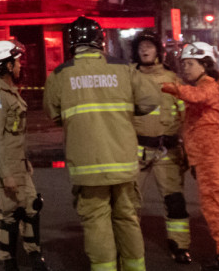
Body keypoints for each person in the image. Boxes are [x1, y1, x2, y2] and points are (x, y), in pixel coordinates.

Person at [44, 16, 157, 271]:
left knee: (97, 222)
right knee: (127, 219)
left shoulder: (60, 75)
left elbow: (53, 114)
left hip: (87, 167)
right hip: (124, 163)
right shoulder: (123, 68)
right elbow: (151, 100)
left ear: (71, 43)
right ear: (100, 41)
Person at [161, 43, 219, 270]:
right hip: (205, 158)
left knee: (214, 208)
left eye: (190, 64)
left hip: (213, 157)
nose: (185, 69)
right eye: (184, 64)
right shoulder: (203, 85)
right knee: (214, 206)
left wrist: (168, 87)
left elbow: (197, 96)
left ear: (205, 65)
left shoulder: (208, 85)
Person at [0, 40, 55, 271]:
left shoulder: (8, 90)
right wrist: (7, 176)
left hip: (17, 163)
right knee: (10, 214)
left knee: (33, 206)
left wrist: (24, 162)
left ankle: (34, 256)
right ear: (6, 65)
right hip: (6, 167)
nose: (20, 66)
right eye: (17, 61)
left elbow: (14, 135)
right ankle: (8, 261)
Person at [130, 31, 192, 264]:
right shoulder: (129, 78)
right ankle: (130, 245)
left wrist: (188, 148)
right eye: (140, 47)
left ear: (158, 51)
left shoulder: (172, 79)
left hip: (168, 150)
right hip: (136, 150)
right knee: (129, 202)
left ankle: (180, 245)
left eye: (149, 46)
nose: (144, 50)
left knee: (174, 201)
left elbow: (186, 115)